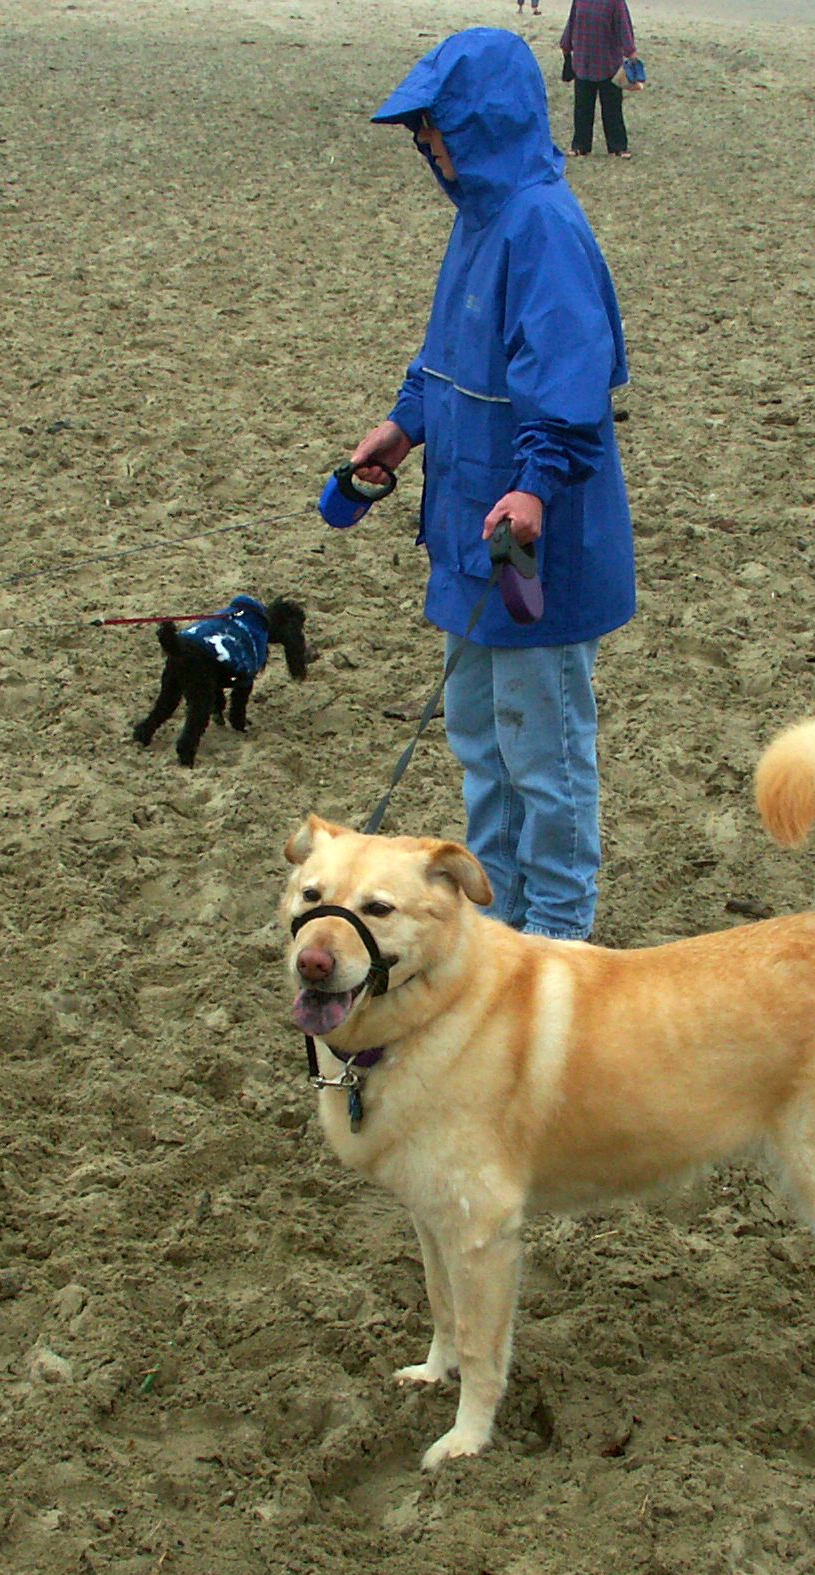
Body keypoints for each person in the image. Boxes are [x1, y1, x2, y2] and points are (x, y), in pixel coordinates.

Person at [350, 28, 635, 943]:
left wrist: (536, 486)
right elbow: (447, 357)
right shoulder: (479, 217)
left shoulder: (542, 224)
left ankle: (557, 939)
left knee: (544, 758)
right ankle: (501, 929)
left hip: (531, 545)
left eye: (432, 126)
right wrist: (405, 427)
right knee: (480, 740)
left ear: (478, 122)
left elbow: (569, 383)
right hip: (467, 534)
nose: (424, 143)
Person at [559, 0, 638, 159]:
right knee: (582, 109)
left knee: (612, 110)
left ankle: (618, 147)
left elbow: (624, 27)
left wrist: (631, 53)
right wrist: (566, 45)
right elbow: (572, 22)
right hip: (583, 62)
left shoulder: (615, 2)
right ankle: (580, 146)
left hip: (609, 64)